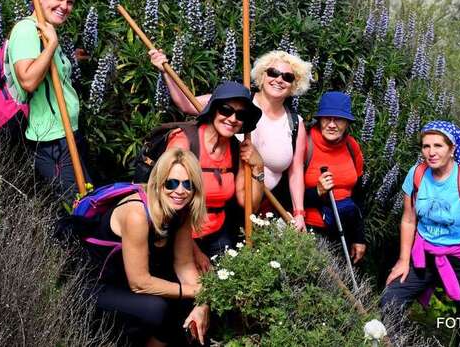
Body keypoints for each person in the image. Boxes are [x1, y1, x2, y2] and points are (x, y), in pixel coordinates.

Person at [150, 49, 312, 231]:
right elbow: (187, 103)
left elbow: (296, 170)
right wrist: (165, 71)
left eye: (288, 77)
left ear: (294, 84)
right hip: (225, 199)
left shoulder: (295, 123)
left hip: (263, 204)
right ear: (262, 75)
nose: (279, 79)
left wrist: (299, 212)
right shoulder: (238, 100)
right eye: (273, 73)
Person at [381, 121, 460, 347]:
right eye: (426, 146)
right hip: (424, 253)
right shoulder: (416, 174)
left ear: (452, 149)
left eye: (438, 146)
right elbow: (408, 219)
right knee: (391, 299)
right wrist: (403, 260)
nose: (431, 152)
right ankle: (395, 342)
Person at [93, 148, 211, 346]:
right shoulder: (137, 215)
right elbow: (139, 283)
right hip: (101, 284)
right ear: (158, 182)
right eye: (171, 183)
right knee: (156, 309)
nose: (180, 191)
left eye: (188, 184)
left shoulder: (181, 210)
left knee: (186, 302)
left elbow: (184, 264)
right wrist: (195, 291)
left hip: (132, 279)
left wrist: (202, 301)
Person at [7, 0, 88, 199]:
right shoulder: (27, 30)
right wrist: (52, 45)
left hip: (67, 133)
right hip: (52, 140)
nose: (64, 6)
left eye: (70, 2)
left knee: (87, 201)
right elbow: (28, 81)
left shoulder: (45, 31)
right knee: (76, 206)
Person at [164, 81, 265, 257]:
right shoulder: (184, 142)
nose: (232, 119)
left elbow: (250, 205)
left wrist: (258, 166)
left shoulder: (237, 150)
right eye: (226, 110)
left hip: (217, 233)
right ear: (213, 110)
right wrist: (194, 252)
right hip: (179, 232)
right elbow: (167, 201)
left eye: (240, 115)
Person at [302, 91, 367, 264]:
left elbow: (359, 195)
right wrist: (317, 192)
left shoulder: (352, 146)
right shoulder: (305, 144)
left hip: (346, 229)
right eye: (326, 118)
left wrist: (359, 237)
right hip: (312, 232)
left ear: (347, 123)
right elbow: (285, 195)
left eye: (338, 119)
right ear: (319, 120)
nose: (332, 125)